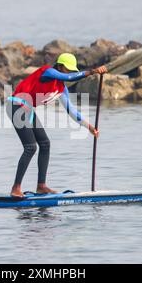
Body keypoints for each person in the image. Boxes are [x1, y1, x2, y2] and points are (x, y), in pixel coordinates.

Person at [7, 52, 107, 197]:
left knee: (45, 143)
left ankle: (41, 186)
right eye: (68, 69)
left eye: (72, 71)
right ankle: (15, 188)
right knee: (30, 147)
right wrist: (91, 72)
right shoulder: (48, 71)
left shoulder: (61, 89)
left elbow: (72, 112)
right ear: (60, 66)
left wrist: (90, 127)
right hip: (15, 105)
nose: (70, 73)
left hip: (27, 109)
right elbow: (66, 77)